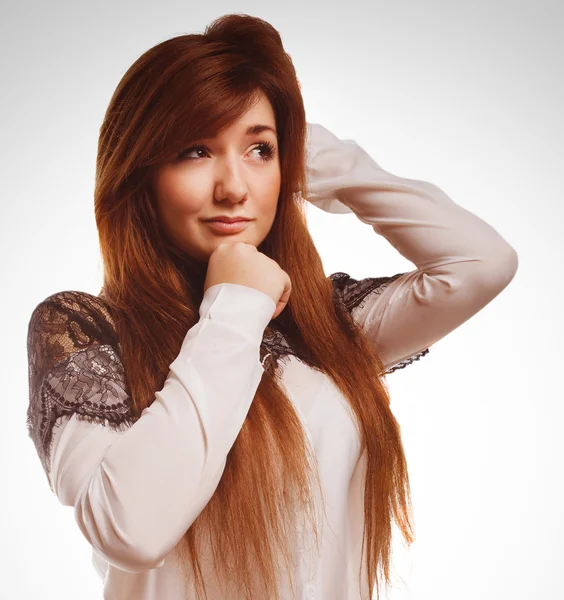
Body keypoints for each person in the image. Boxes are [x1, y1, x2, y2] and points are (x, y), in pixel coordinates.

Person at [25, 13, 519, 600]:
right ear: (140, 171)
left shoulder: (324, 325)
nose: (234, 187)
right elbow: (129, 529)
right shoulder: (84, 330)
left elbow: (480, 263)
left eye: (260, 149)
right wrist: (233, 305)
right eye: (194, 150)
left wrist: (308, 147)